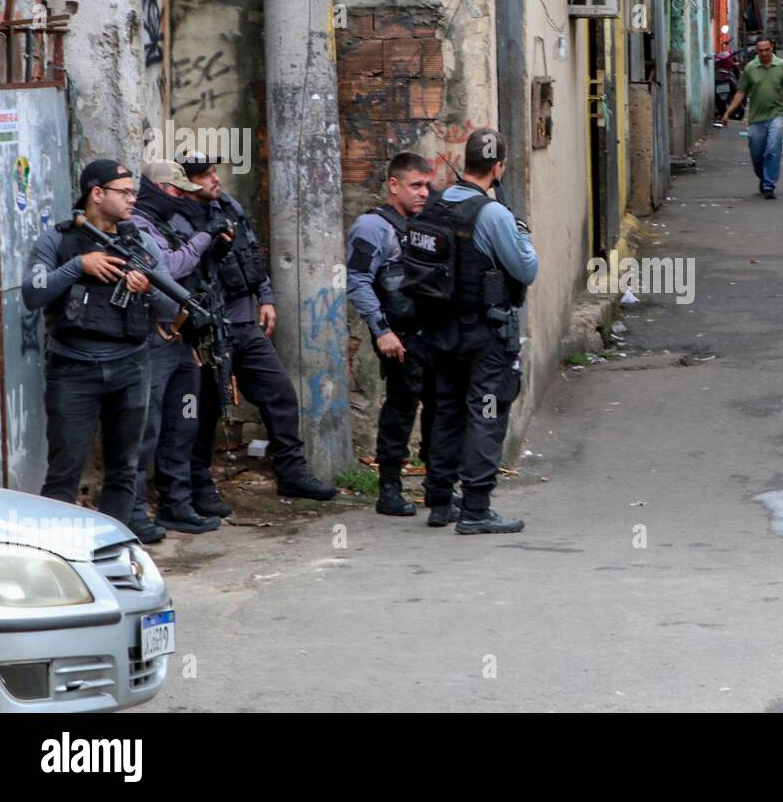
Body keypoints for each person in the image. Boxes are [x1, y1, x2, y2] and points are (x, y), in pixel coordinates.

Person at [22, 159, 181, 525]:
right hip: (73, 369)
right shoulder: (57, 239)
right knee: (64, 473)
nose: (132, 201)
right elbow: (33, 292)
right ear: (96, 194)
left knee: (125, 469)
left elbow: (172, 304)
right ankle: (55, 562)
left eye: (133, 194)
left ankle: (112, 555)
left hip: (131, 366)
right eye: (124, 193)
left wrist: (148, 288)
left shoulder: (138, 242)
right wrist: (79, 265)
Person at [179, 155, 335, 502]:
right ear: (186, 184)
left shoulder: (228, 205)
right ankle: (198, 484)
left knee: (279, 393)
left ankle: (292, 472)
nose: (214, 179)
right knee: (205, 409)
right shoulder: (179, 219)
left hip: (244, 323)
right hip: (207, 330)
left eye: (214, 172)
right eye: (204, 175)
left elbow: (252, 253)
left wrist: (266, 298)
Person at [414, 129, 537, 533]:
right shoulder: (493, 213)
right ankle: (476, 508)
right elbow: (527, 269)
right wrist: (518, 230)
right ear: (499, 167)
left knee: (446, 410)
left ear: (465, 161)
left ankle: (438, 500)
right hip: (484, 333)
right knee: (486, 412)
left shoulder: (436, 204)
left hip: (440, 330)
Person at [125, 159, 235, 540]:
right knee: (147, 429)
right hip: (153, 341)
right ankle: (134, 510)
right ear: (156, 188)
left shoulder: (170, 222)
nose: (181, 198)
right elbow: (167, 268)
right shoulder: (136, 224)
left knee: (183, 421)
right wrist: (204, 237)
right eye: (176, 191)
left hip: (184, 338)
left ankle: (177, 504)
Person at [346, 151, 452, 519]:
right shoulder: (373, 227)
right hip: (400, 336)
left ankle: (437, 485)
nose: (424, 193)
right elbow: (358, 280)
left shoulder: (429, 222)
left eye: (427, 185)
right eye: (415, 186)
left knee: (440, 408)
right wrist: (382, 331)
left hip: (435, 334)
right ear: (394, 185)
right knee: (400, 410)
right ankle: (389, 487)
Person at [718, 35, 783, 199]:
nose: (764, 53)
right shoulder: (751, 68)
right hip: (756, 118)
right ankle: (763, 176)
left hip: (776, 114)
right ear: (756, 51)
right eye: (761, 51)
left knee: (773, 148)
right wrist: (727, 112)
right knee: (757, 153)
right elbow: (741, 92)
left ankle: (768, 184)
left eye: (767, 50)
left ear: (772, 48)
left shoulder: (781, 66)